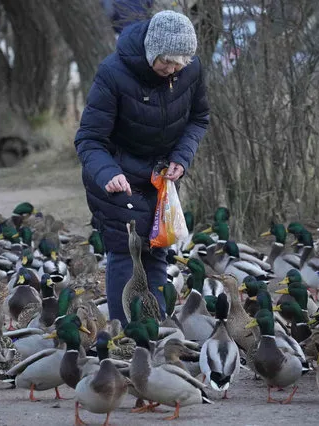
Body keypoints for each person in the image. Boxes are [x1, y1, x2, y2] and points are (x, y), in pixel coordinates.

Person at [74, 10, 209, 325]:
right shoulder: (113, 74)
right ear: (152, 52)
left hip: (161, 179)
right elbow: (89, 139)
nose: (172, 69)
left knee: (157, 250)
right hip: (116, 178)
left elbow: (198, 118)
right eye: (167, 62)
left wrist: (181, 157)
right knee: (125, 253)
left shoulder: (191, 70)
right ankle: (125, 336)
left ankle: (154, 326)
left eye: (180, 63)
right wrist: (108, 174)